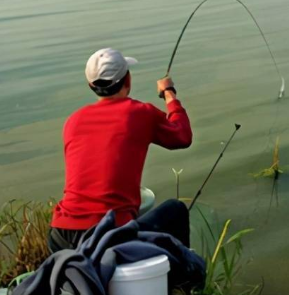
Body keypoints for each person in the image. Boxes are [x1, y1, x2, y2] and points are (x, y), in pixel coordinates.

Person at [48, 47, 193, 253]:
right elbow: (183, 136)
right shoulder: (140, 113)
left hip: (60, 235)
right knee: (175, 210)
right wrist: (169, 93)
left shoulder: (73, 121)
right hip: (110, 232)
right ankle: (182, 282)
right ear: (128, 81)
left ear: (91, 85)